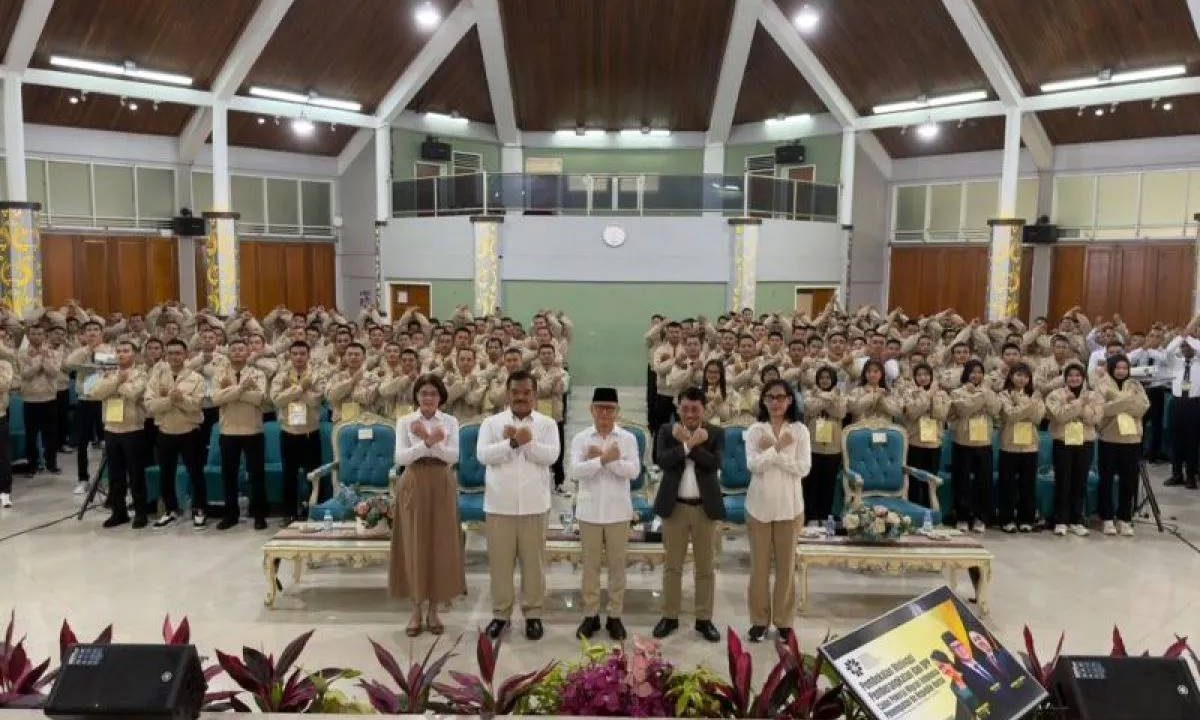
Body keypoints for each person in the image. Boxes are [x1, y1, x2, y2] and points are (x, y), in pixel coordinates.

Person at [477, 370, 560, 641]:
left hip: (534, 505)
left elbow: (551, 456)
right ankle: (501, 615)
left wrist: (526, 442)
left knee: (534, 564)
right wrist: (512, 442)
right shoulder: (491, 423)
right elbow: (483, 455)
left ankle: (533, 614)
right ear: (507, 394)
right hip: (499, 504)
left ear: (535, 395)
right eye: (515, 392)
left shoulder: (547, 424)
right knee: (500, 565)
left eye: (526, 392)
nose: (521, 397)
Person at [391, 374, 465, 637]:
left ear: (441, 397)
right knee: (415, 544)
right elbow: (401, 458)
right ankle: (415, 610)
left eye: (433, 393)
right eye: (423, 393)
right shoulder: (405, 421)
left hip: (441, 482)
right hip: (414, 481)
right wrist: (427, 443)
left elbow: (453, 456)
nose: (428, 398)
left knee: (439, 545)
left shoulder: (451, 422)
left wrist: (429, 442)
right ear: (416, 396)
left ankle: (434, 609)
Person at [652, 386, 726, 643]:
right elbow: (662, 461)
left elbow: (714, 464)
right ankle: (669, 616)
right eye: (685, 409)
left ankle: (704, 619)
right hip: (675, 507)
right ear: (678, 408)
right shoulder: (666, 431)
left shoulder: (715, 433)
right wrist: (686, 445)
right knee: (672, 566)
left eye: (695, 409)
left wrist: (690, 446)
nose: (690, 414)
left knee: (705, 567)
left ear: (704, 410)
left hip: (705, 508)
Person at [569, 387, 640, 642]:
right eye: (600, 408)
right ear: (591, 410)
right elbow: (575, 471)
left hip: (618, 511)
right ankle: (590, 615)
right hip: (589, 512)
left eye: (610, 409)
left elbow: (633, 472)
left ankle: (614, 616)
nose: (605, 413)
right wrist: (602, 460)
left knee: (617, 567)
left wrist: (606, 459)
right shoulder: (580, 438)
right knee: (590, 567)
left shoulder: (628, 439)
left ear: (617, 411)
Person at [744, 378, 810, 643]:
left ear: (790, 400)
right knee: (759, 568)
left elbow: (803, 468)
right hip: (758, 507)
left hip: (790, 508)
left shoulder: (800, 431)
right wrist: (779, 448)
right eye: (770, 397)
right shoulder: (755, 430)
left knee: (786, 568)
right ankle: (759, 621)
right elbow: (754, 466)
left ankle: (784, 621)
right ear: (763, 400)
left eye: (780, 397)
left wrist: (773, 452)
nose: (775, 402)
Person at [142, 339, 207, 529]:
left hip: (190, 432)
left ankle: (199, 509)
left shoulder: (196, 378)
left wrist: (179, 399)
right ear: (165, 355)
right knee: (166, 474)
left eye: (178, 353)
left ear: (186, 355)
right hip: (165, 431)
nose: (174, 357)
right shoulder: (157, 377)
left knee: (195, 473)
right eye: (170, 353)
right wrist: (171, 400)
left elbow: (196, 405)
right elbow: (150, 405)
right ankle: (170, 510)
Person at [89, 341, 149, 528]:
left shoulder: (141, 373)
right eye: (119, 351)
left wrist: (115, 384)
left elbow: (134, 393)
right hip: (111, 429)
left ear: (134, 354)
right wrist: (117, 381)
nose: (121, 354)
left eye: (126, 351)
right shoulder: (108, 372)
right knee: (115, 474)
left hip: (133, 428)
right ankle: (119, 512)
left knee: (136, 473)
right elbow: (95, 392)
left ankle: (141, 512)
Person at [212, 338, 269, 530]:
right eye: (233, 349)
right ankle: (230, 515)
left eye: (241, 349)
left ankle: (259, 514)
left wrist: (231, 392)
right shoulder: (220, 374)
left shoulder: (257, 373)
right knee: (229, 475)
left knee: (256, 474)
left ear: (248, 352)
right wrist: (242, 389)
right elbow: (216, 399)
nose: (237, 352)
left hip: (253, 430)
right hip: (228, 431)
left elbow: (259, 398)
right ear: (228, 353)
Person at [270, 341, 327, 523]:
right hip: (289, 432)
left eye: (302, 353)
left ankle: (315, 512)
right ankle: (289, 513)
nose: (299, 357)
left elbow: (316, 400)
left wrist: (292, 391)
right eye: (295, 353)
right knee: (289, 475)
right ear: (290, 355)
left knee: (314, 474)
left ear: (308, 355)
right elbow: (276, 400)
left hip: (310, 432)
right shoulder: (281, 376)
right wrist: (301, 388)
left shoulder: (317, 375)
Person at [1045, 363, 1103, 536]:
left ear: (1083, 378)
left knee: (1080, 481)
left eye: (1078, 375)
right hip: (1063, 442)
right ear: (1065, 378)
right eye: (1070, 375)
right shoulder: (1055, 394)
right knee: (1063, 481)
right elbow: (1060, 416)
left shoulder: (1093, 395)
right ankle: (1061, 520)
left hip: (1085, 442)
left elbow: (1094, 418)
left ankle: (1076, 520)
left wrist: (1076, 404)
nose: (1074, 378)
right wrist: (1079, 403)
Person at [1096, 354, 1149, 536]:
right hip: (1109, 439)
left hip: (1131, 440)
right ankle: (1107, 518)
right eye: (1118, 368)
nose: (1121, 371)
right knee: (1106, 480)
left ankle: (1125, 518)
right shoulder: (1102, 385)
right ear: (1111, 368)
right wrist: (1127, 400)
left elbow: (1142, 408)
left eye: (1125, 368)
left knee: (1129, 481)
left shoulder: (1136, 385)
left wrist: (1116, 400)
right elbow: (1102, 410)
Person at [949, 360, 999, 533]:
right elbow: (965, 409)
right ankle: (962, 517)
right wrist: (981, 397)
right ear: (966, 374)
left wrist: (983, 394)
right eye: (972, 372)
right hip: (963, 442)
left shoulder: (989, 391)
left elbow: (995, 409)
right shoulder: (957, 392)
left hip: (984, 442)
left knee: (983, 482)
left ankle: (980, 517)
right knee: (962, 481)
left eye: (979, 372)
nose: (976, 375)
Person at [64, 320, 111, 495]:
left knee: (108, 440)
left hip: (103, 400)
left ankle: (106, 478)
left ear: (101, 333)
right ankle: (83, 479)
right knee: (82, 442)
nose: (92, 332)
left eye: (96, 329)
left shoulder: (108, 350)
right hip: (84, 400)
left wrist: (97, 356)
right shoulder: (79, 351)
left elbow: (108, 370)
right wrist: (87, 351)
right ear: (83, 334)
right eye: (89, 330)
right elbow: (68, 365)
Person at [996, 363, 1044, 533]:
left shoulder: (1035, 395)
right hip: (1009, 446)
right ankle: (1006, 519)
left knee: (1028, 485)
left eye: (1025, 376)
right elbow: (1010, 415)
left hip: (1030, 446)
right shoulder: (1003, 394)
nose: (1022, 379)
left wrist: (1020, 404)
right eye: (1018, 375)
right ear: (1011, 376)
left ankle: (1026, 519)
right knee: (1007, 485)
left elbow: (1038, 418)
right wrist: (1029, 405)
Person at [802, 366, 846, 524]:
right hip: (813, 446)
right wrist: (829, 398)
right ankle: (810, 517)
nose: (825, 380)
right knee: (811, 484)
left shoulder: (840, 394)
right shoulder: (809, 393)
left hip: (833, 448)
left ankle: (825, 516)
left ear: (833, 379)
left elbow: (840, 412)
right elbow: (810, 408)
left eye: (828, 377)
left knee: (829, 485)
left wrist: (821, 397)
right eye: (822, 377)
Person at [900, 363, 949, 506]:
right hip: (914, 442)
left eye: (926, 374)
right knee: (914, 480)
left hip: (934, 442)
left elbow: (941, 415)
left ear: (931, 377)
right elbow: (912, 413)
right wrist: (928, 395)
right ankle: (915, 509)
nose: (923, 378)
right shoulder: (908, 392)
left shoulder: (941, 394)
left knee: (931, 480)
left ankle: (929, 510)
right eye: (919, 375)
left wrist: (933, 396)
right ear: (914, 377)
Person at [18, 325, 62, 476]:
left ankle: (52, 464)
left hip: (49, 398)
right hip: (30, 399)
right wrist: (40, 360)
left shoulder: (54, 352)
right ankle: (32, 466)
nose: (37, 336)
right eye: (34, 334)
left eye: (40, 334)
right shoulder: (22, 353)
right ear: (29, 336)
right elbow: (26, 374)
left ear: (45, 336)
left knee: (51, 434)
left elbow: (54, 372)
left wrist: (43, 359)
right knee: (31, 435)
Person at [1162, 333, 1200, 488]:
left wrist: (1189, 337)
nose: (1185, 348)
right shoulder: (1176, 363)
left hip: (1194, 403)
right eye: (1183, 346)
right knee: (1175, 440)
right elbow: (1168, 351)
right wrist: (1181, 337)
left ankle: (1191, 476)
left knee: (1192, 441)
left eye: (1188, 346)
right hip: (1177, 402)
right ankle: (1176, 474)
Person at [699, 359, 736, 426]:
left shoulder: (729, 390)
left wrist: (719, 404)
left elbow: (726, 417)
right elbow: (701, 418)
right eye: (709, 372)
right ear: (705, 373)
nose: (712, 375)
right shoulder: (699, 391)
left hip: (725, 426)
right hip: (706, 427)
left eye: (716, 372)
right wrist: (713, 403)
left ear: (721, 374)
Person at [0, 356, 14, 508]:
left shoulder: (4, 365)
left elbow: (3, 385)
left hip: (0, 417)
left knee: (3, 457)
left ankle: (4, 492)